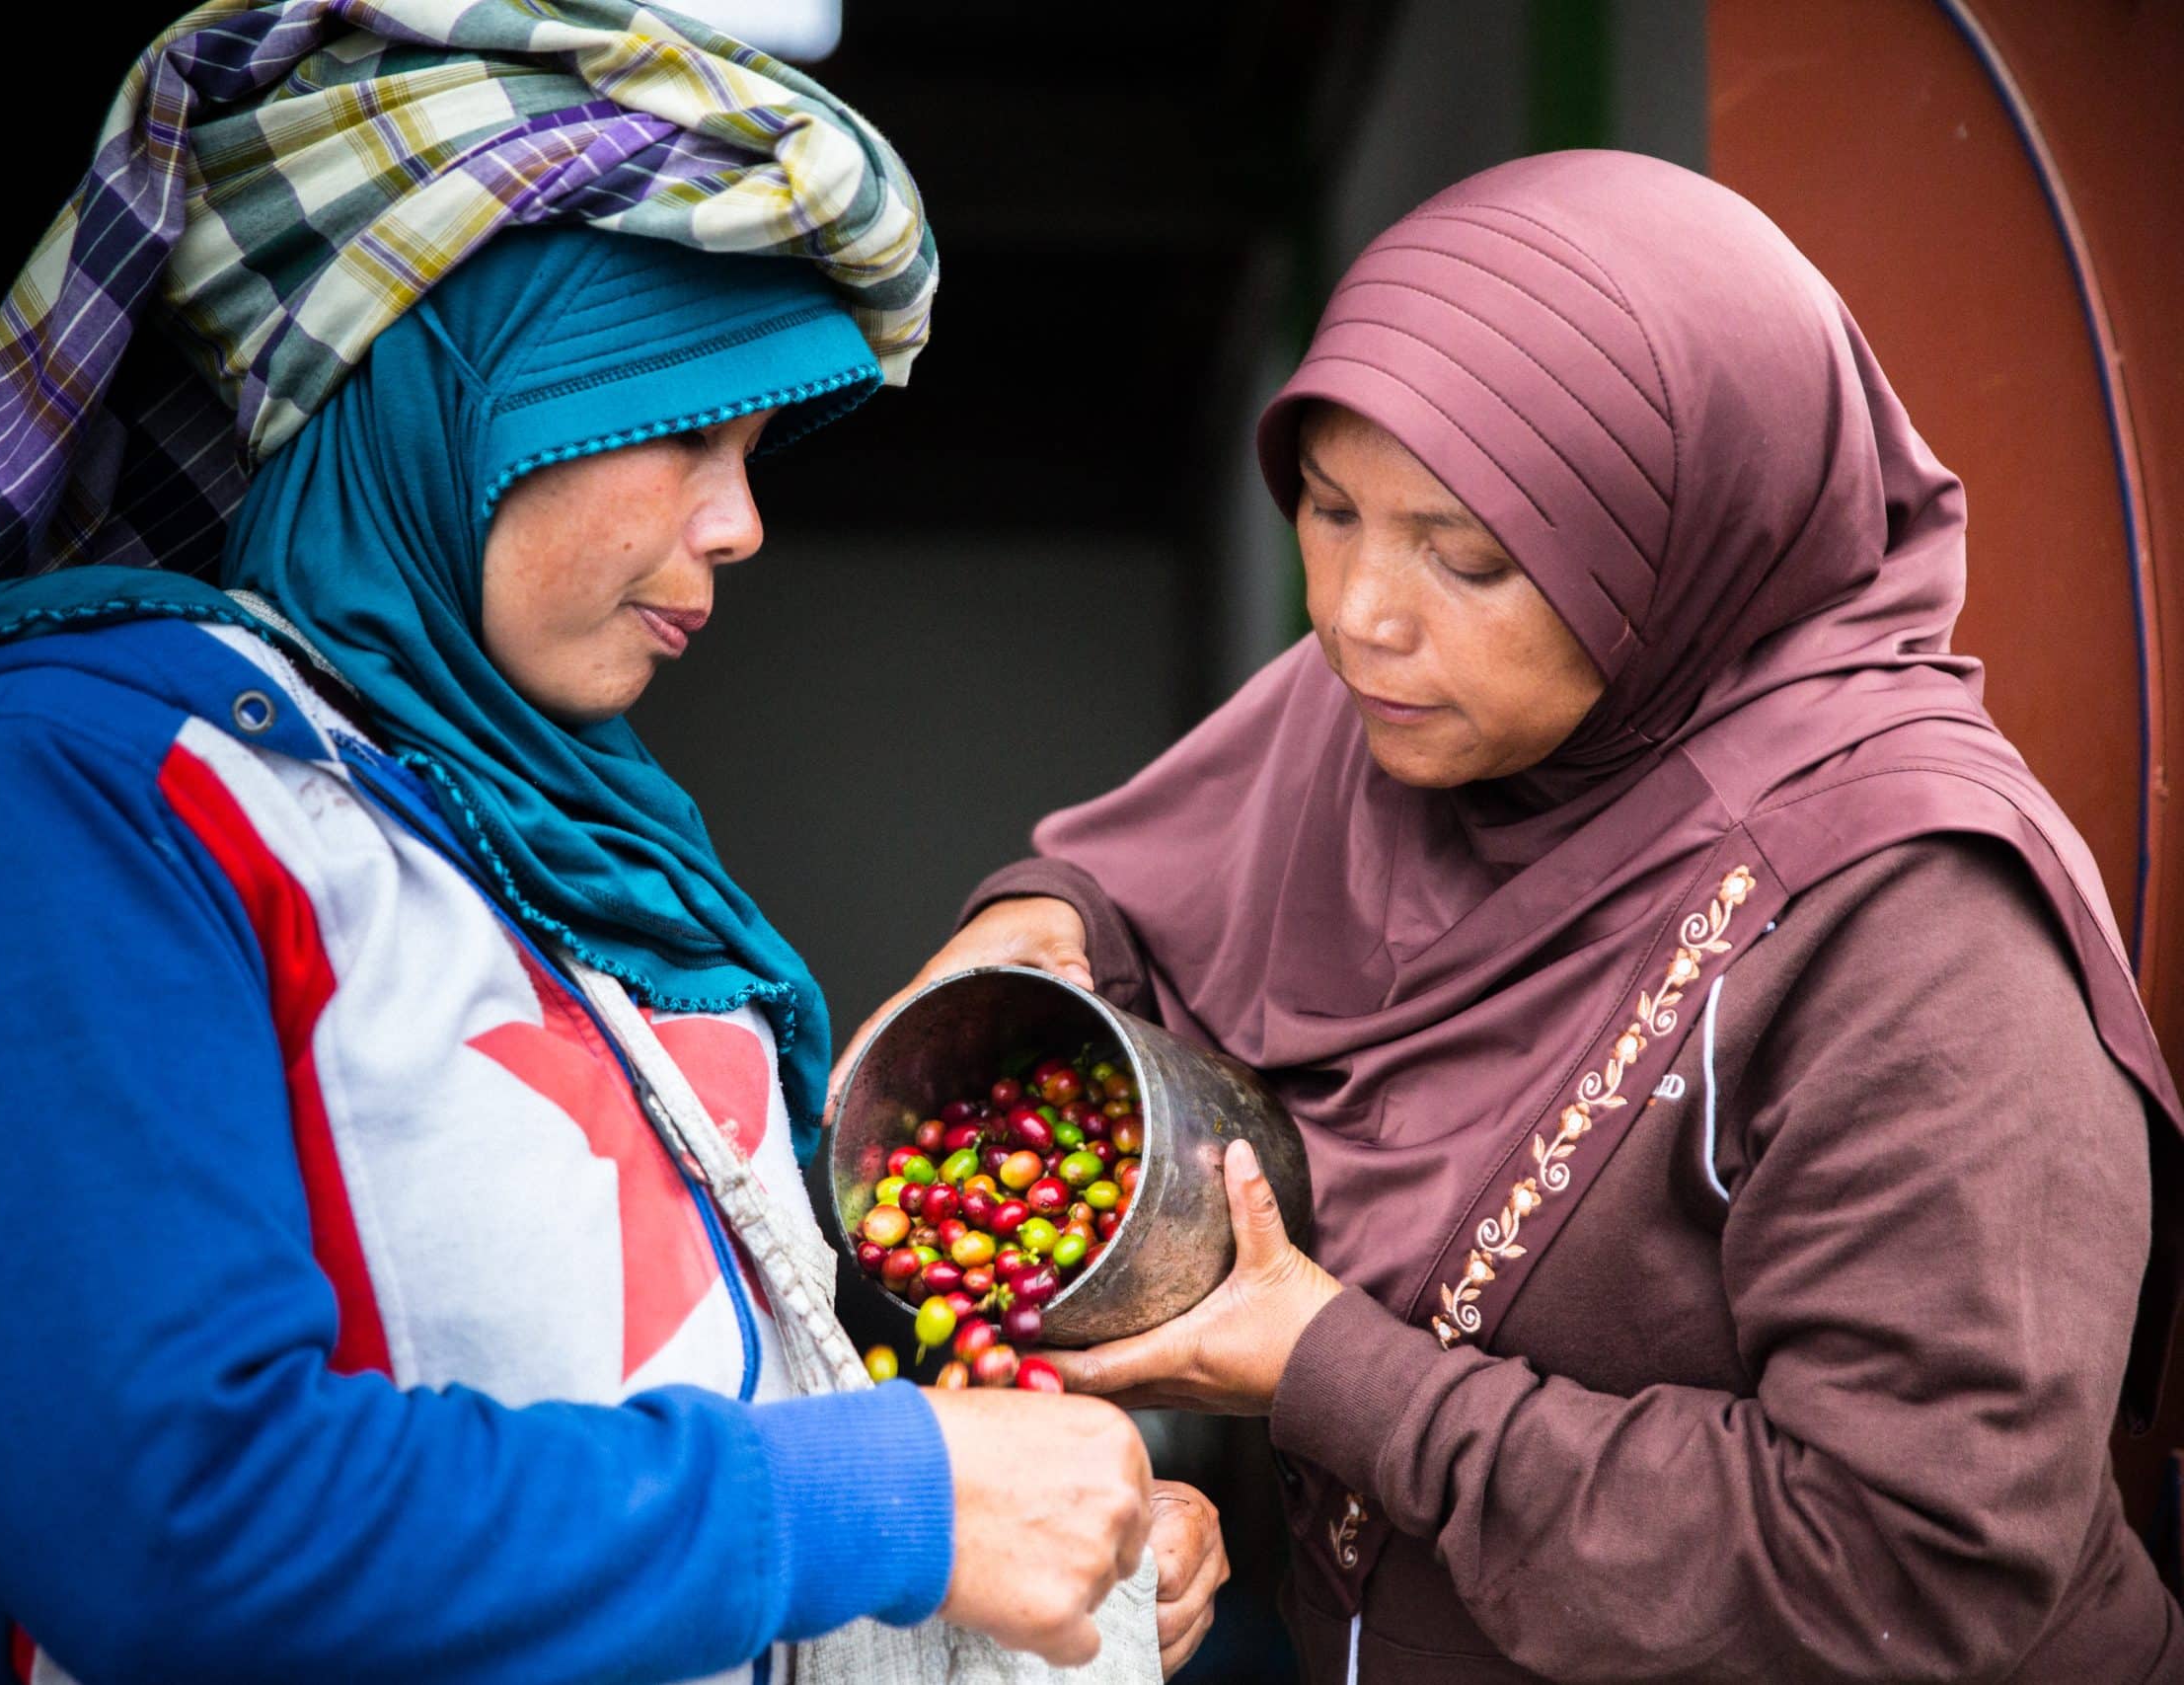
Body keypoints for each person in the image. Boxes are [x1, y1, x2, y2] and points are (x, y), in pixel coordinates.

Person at [0, 5, 1223, 1680]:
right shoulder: (61, 795)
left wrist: (1023, 1563)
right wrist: (893, 1503)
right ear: (470, 393)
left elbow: (670, 1446)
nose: (743, 522)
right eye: (684, 432)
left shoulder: (520, 838)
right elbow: (182, 1524)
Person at [851, 151, 2183, 1683]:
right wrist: (1034, 931)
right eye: (1329, 509)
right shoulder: (1393, 711)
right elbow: (1131, 884)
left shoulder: (1914, 928)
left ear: (1684, 552)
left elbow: (1916, 1569)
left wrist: (1335, 1375)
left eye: (1470, 555)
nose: (1360, 615)